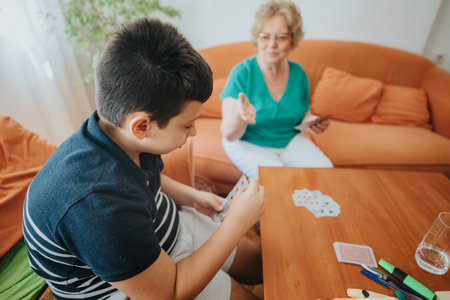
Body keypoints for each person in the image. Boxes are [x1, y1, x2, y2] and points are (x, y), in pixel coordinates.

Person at [23, 18, 265, 300]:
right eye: (187, 125)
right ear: (141, 126)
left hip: (161, 226)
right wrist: (236, 224)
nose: (194, 132)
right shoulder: (97, 207)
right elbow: (168, 293)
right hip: (133, 285)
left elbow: (143, 179)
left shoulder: (117, 132)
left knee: (261, 263)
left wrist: (190, 195)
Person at [220, 0, 333, 179]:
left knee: (326, 173)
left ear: (292, 41)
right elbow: (228, 133)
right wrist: (241, 117)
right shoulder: (241, 73)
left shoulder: (299, 74)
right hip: (248, 143)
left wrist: (312, 122)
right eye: (265, 36)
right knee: (279, 181)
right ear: (257, 38)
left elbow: (304, 113)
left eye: (281, 38)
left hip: (289, 141)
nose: (272, 44)